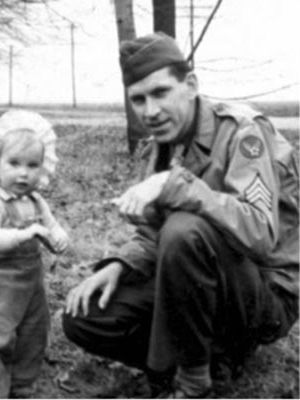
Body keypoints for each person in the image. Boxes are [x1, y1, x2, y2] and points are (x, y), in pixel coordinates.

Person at [62, 32, 299, 398]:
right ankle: (215, 356)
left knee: (185, 228)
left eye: (160, 93)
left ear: (190, 84)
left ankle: (193, 381)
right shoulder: (157, 149)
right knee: (86, 317)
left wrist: (177, 184)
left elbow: (260, 233)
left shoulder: (243, 133)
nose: (149, 111)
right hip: (196, 283)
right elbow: (153, 234)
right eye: (138, 99)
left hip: (263, 292)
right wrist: (120, 265)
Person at [0, 110, 69, 398]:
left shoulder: (35, 200)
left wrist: (58, 237)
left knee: (32, 334)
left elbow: (51, 225)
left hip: (29, 287)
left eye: (33, 165)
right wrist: (23, 235)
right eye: (14, 163)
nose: (23, 173)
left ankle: (21, 387)